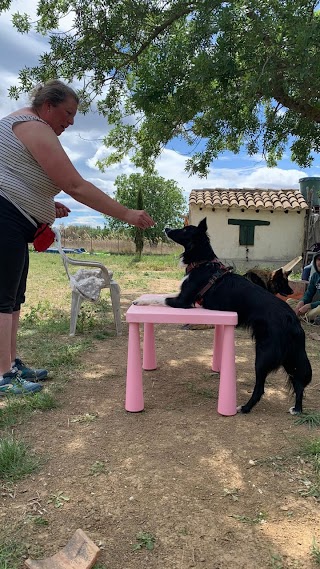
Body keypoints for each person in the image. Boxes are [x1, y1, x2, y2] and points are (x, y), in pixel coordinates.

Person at [0, 79, 155, 395]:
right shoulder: (33, 126)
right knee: (2, 301)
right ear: (48, 106)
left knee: (13, 299)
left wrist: (44, 202)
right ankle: (4, 375)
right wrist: (126, 213)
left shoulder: (24, 124)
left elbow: (15, 172)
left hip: (14, 220)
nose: (70, 122)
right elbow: (75, 185)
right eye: (68, 113)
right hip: (5, 220)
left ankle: (12, 362)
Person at [294, 252, 320, 323]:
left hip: (318, 307)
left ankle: (300, 316)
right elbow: (309, 293)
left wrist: (309, 306)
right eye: (318, 259)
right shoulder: (315, 276)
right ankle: (305, 316)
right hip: (315, 304)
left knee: (318, 310)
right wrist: (302, 301)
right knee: (290, 301)